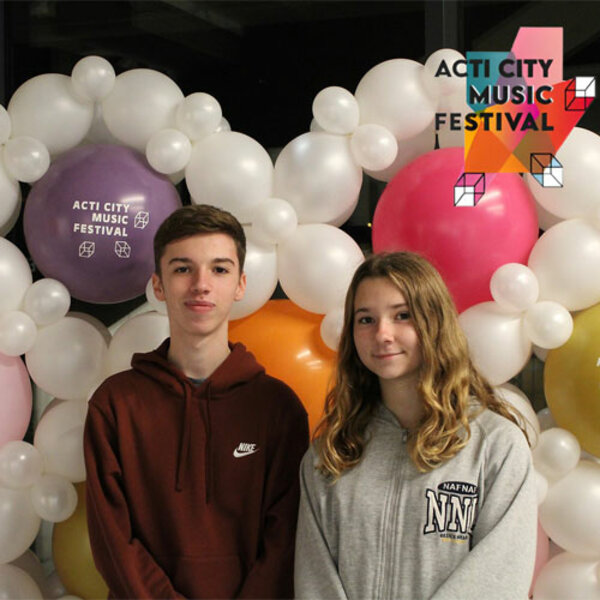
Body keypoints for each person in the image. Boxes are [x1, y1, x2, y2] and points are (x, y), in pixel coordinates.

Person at [84, 204, 309, 599]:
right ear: (158, 285)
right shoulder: (114, 404)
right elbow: (113, 540)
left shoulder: (278, 407)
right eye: (183, 268)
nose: (201, 284)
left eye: (219, 269)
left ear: (240, 284)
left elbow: (285, 540)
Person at [295, 252, 537, 600]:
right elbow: (314, 579)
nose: (383, 334)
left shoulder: (495, 446)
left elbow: (500, 577)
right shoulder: (332, 453)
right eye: (366, 319)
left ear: (434, 321)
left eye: (402, 315)